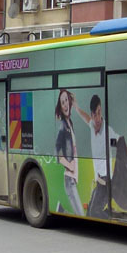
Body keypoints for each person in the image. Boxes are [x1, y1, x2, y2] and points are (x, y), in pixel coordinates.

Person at [73, 93, 123, 219]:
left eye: (99, 113)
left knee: (94, 211)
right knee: (89, 212)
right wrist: (76, 107)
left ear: (101, 111)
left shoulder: (108, 131)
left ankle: (113, 218)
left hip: (106, 182)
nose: (97, 118)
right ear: (92, 114)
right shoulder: (92, 126)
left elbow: (119, 140)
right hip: (99, 181)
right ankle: (110, 216)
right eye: (94, 115)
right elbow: (86, 118)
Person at [54, 88, 84, 216]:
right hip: (69, 179)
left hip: (73, 178)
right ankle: (61, 210)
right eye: (62, 102)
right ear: (60, 107)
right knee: (81, 215)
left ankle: (61, 210)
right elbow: (56, 150)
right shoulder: (62, 126)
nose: (65, 104)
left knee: (79, 214)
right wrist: (68, 164)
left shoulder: (69, 123)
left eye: (66, 100)